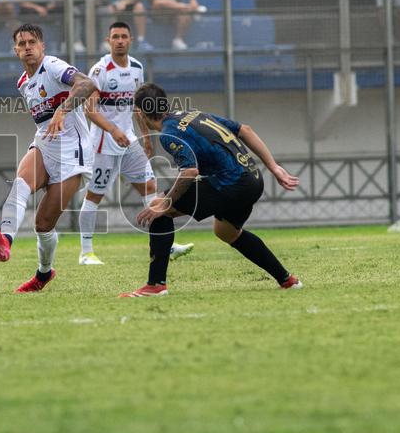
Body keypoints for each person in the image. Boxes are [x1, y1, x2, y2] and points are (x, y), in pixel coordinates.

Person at [124, 83, 302, 297]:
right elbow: (245, 130)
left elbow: (190, 171)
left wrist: (165, 203)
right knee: (226, 232)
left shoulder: (169, 133)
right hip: (253, 180)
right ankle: (287, 280)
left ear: (141, 113)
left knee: (158, 208)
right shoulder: (193, 113)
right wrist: (274, 167)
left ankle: (155, 285)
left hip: (231, 182)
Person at [0, 23, 97, 292]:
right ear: (15, 50)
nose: (27, 48)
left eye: (32, 42)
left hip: (73, 154)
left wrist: (63, 110)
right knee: (20, 186)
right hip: (44, 146)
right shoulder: (23, 83)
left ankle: (44, 274)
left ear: (42, 46)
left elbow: (88, 84)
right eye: (21, 44)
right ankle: (5, 240)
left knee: (43, 224)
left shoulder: (53, 66)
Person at [77, 22, 194, 265]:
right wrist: (113, 130)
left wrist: (145, 137)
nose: (119, 41)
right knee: (94, 196)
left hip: (129, 141)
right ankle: (86, 252)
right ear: (108, 41)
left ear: (131, 40)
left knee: (150, 186)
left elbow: (138, 107)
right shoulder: (100, 70)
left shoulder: (137, 68)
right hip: (103, 143)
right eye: (115, 37)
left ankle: (166, 245)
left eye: (123, 36)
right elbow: (90, 110)